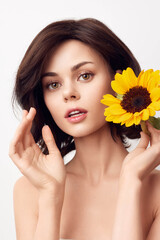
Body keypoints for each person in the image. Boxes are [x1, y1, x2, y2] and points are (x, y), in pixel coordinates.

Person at [9, 18, 160, 240]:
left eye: (85, 75)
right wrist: (51, 195)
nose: (68, 93)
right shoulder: (30, 190)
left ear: (117, 81)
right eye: (53, 84)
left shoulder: (156, 190)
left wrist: (130, 183)